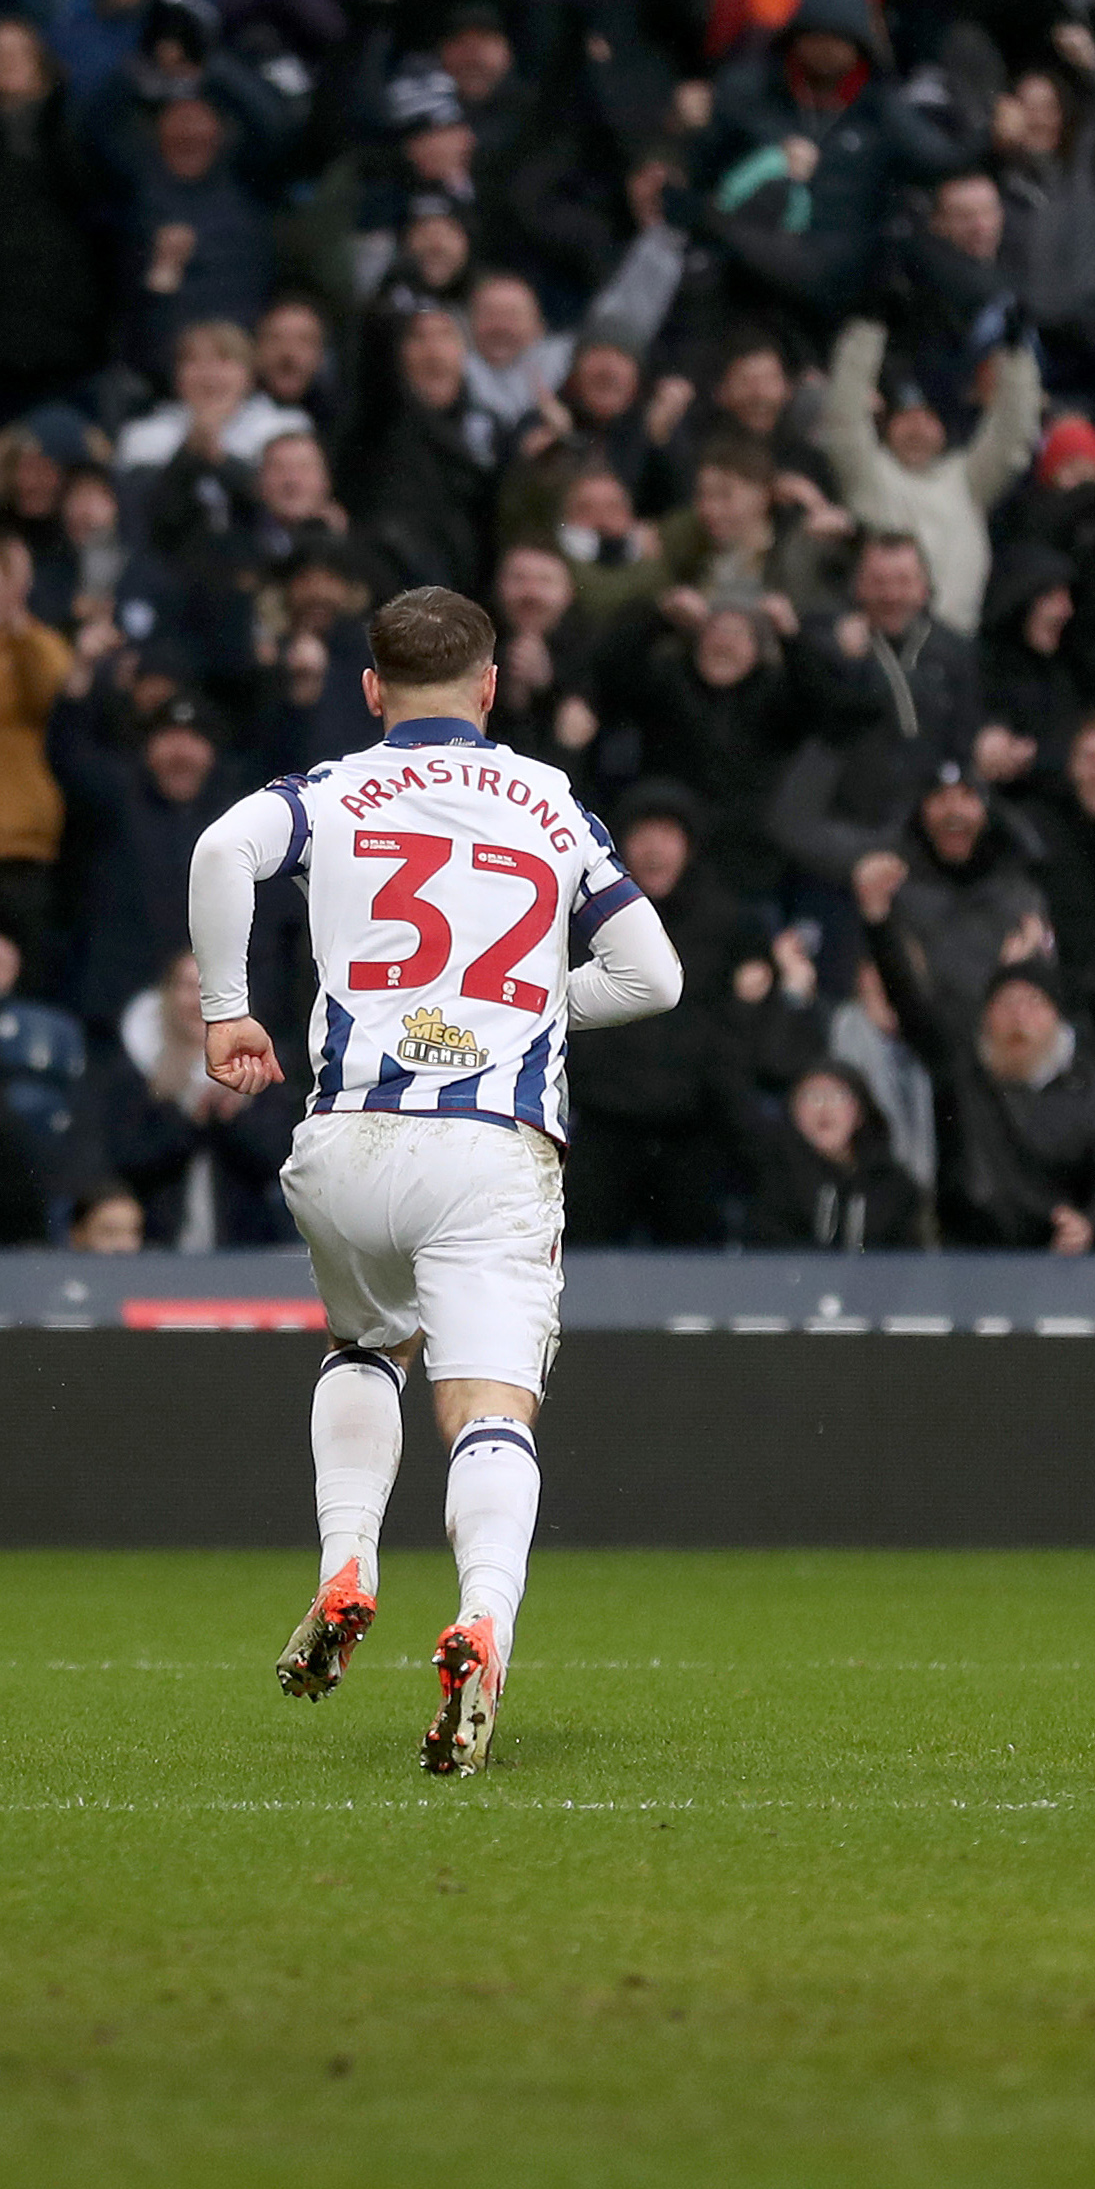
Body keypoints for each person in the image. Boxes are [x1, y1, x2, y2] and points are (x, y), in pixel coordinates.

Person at [184, 587, 681, 1773]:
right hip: (489, 1148)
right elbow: (653, 975)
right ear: (492, 686)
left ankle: (345, 1558)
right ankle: (484, 1623)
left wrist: (224, 1012)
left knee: (364, 1346)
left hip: (346, 1137)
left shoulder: (331, 788)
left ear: (372, 690)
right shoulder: (554, 804)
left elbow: (217, 851)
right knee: (489, 1408)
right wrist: (536, 1003)